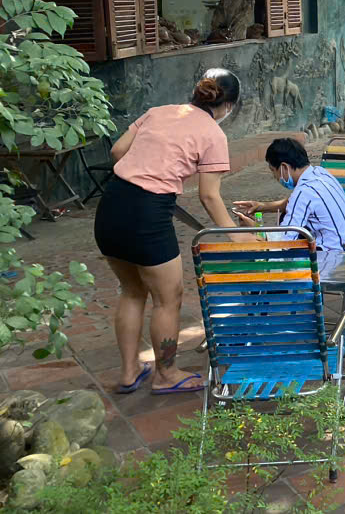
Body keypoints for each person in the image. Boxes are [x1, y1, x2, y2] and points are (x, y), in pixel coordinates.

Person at [95, 69, 243, 396]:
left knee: (132, 291)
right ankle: (166, 374)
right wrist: (239, 238)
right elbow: (209, 196)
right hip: (148, 216)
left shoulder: (157, 112)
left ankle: (129, 372)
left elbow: (118, 152)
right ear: (228, 106)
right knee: (168, 298)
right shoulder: (213, 134)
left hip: (111, 207)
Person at [232, 138, 345, 254]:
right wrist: (261, 207)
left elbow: (283, 243)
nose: (275, 177)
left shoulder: (303, 192)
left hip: (333, 257)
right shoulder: (321, 173)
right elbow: (291, 203)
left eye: (273, 170)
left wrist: (255, 228)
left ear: (284, 167)